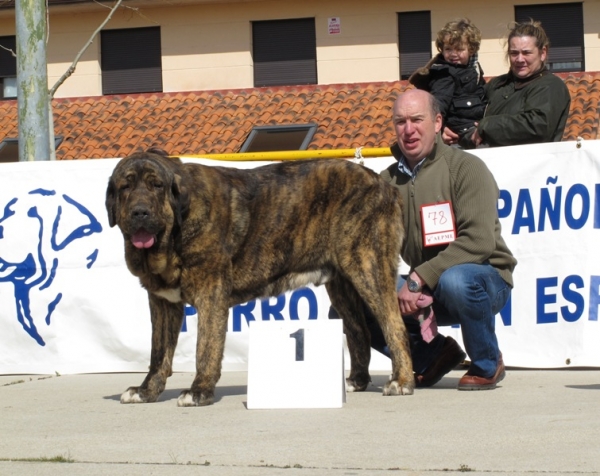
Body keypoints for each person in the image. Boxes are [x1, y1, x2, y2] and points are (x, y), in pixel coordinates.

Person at [378, 89, 517, 390]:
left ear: (438, 122)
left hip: (483, 280)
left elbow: (479, 241)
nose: (409, 129)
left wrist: (418, 278)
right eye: (400, 121)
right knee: (353, 294)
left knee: (456, 280)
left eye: (417, 119)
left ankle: (487, 362)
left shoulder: (466, 168)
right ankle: (432, 355)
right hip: (426, 288)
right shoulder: (385, 182)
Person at [445, 19, 571, 147]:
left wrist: (487, 126)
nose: (520, 59)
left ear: (543, 53)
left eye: (526, 53)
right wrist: (445, 129)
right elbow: (464, 111)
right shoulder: (496, 84)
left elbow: (539, 126)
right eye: (514, 53)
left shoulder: (551, 85)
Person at [409, 18, 486, 149]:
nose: (453, 54)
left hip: (473, 126)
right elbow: (438, 105)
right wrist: (439, 131)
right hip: (459, 133)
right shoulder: (444, 74)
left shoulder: (474, 70)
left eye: (459, 49)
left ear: (471, 49)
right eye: (448, 49)